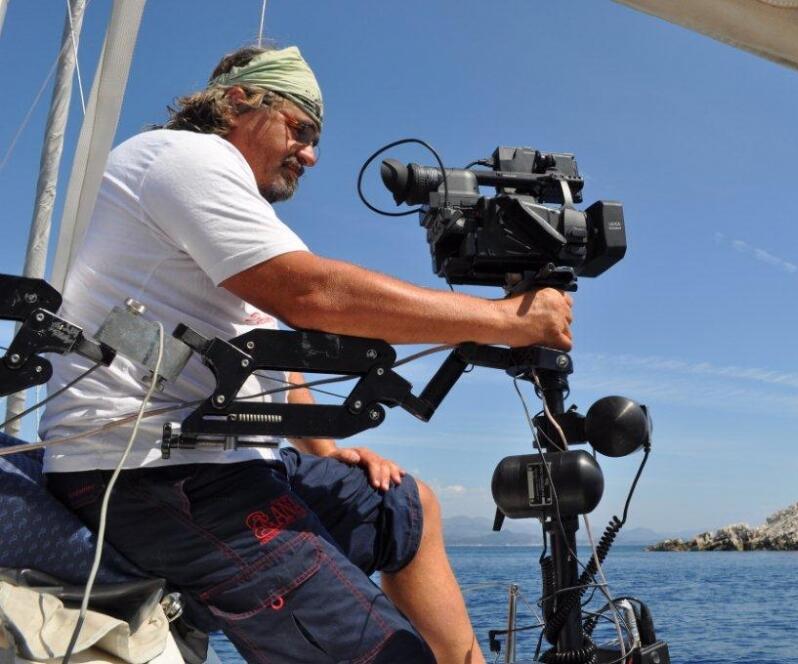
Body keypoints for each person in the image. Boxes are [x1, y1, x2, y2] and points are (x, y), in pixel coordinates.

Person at [39, 45, 573, 664]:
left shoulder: (224, 210)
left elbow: (268, 345)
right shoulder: (185, 158)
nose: (311, 154)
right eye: (300, 129)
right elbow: (311, 295)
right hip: (150, 475)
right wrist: (511, 321)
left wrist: (324, 450)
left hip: (226, 462)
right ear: (237, 102)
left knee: (407, 507)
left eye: (315, 139)